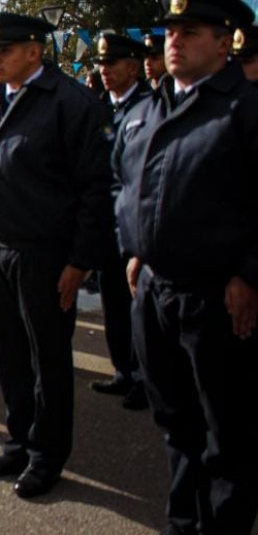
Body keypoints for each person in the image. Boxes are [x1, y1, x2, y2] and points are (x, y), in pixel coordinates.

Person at [114, 0, 258, 535]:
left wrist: (249, 273)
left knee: (227, 436)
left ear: (224, 44)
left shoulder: (242, 109)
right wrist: (132, 247)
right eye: (170, 32)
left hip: (215, 298)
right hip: (154, 291)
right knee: (176, 426)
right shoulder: (151, 108)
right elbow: (125, 182)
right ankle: (183, 524)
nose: (174, 41)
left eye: (189, 33)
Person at [0, 12, 112, 499]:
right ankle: (18, 440)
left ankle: (47, 454)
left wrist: (79, 262)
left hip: (47, 255)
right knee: (9, 355)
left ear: (35, 50)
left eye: (6, 49)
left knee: (47, 358)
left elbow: (95, 190)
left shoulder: (71, 103)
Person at [91, 33, 153, 411]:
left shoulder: (148, 107)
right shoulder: (99, 108)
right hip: (104, 225)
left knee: (139, 308)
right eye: (102, 64)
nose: (105, 70)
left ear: (133, 66)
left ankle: (147, 378)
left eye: (112, 63)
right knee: (114, 301)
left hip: (132, 224)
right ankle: (124, 370)